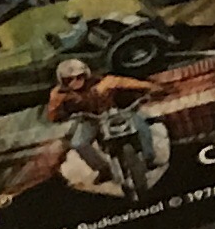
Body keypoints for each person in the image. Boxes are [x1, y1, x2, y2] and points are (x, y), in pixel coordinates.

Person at [45, 55, 169, 199]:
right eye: (69, 79)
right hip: (90, 119)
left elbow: (130, 83)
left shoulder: (105, 82)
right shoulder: (59, 94)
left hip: (116, 113)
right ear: (62, 81)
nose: (75, 82)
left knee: (142, 127)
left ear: (86, 74)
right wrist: (61, 112)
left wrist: (153, 88)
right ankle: (103, 169)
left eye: (79, 77)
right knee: (78, 143)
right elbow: (52, 115)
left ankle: (149, 157)